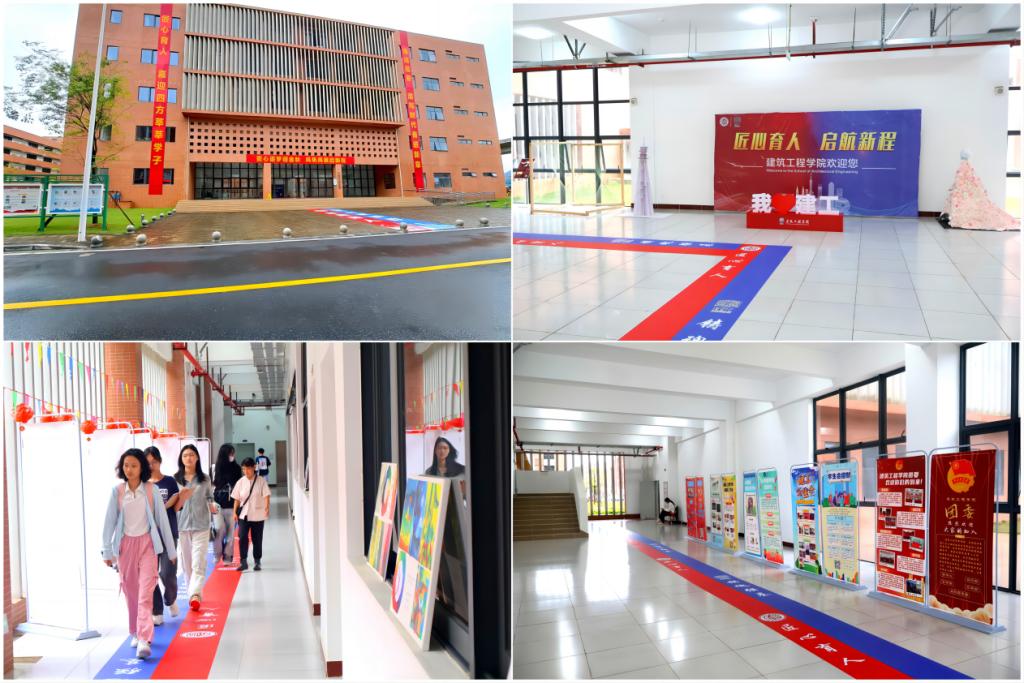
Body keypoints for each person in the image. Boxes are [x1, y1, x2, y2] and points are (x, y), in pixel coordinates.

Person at [101, 448, 176, 660]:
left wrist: (171, 550)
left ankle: (144, 638)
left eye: (134, 465)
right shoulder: (117, 492)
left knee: (145, 593)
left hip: (148, 546)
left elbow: (162, 521)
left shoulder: (151, 490)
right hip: (125, 547)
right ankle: (135, 631)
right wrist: (107, 551)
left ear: (142, 467)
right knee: (131, 593)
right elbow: (109, 523)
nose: (130, 469)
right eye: (126, 465)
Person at [174, 444, 216, 611]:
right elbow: (173, 503)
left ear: (197, 457)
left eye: (191, 455)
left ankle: (195, 594)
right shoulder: (175, 479)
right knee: (187, 564)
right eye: (185, 455)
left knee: (198, 562)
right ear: (181, 459)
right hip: (182, 526)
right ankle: (192, 593)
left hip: (201, 525)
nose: (188, 458)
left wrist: (213, 506)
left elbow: (210, 497)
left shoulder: (205, 479)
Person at [144, 446, 180, 625]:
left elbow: (177, 502)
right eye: (148, 463)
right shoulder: (143, 485)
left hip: (168, 534)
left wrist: (163, 507)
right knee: (150, 576)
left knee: (167, 573)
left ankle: (170, 599)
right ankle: (156, 611)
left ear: (160, 461)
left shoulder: (170, 481)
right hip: (148, 537)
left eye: (154, 462)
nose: (151, 466)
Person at [231, 457, 271, 572]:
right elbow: (237, 498)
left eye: (248, 468)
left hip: (258, 514)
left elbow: (267, 495)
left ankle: (257, 561)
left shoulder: (261, 481)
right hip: (243, 515)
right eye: (244, 469)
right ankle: (243, 562)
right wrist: (234, 512)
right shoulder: (240, 482)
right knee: (242, 537)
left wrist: (267, 507)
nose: (246, 471)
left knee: (257, 538)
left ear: (254, 467)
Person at [212, 444, 242, 564]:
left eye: (233, 453)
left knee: (230, 532)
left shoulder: (236, 468)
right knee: (219, 529)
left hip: (231, 504)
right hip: (217, 503)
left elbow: (239, 486)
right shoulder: (215, 468)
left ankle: (228, 556)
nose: (232, 456)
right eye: (230, 453)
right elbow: (212, 485)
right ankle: (217, 553)